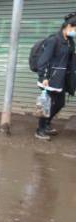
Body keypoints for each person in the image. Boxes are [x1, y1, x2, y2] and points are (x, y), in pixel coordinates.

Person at [33, 13, 76, 141]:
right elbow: (43, 60)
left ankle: (46, 124)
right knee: (48, 104)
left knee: (60, 103)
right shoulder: (54, 40)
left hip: (61, 79)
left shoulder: (70, 42)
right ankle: (40, 130)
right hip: (49, 78)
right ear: (69, 26)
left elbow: (69, 60)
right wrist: (44, 76)